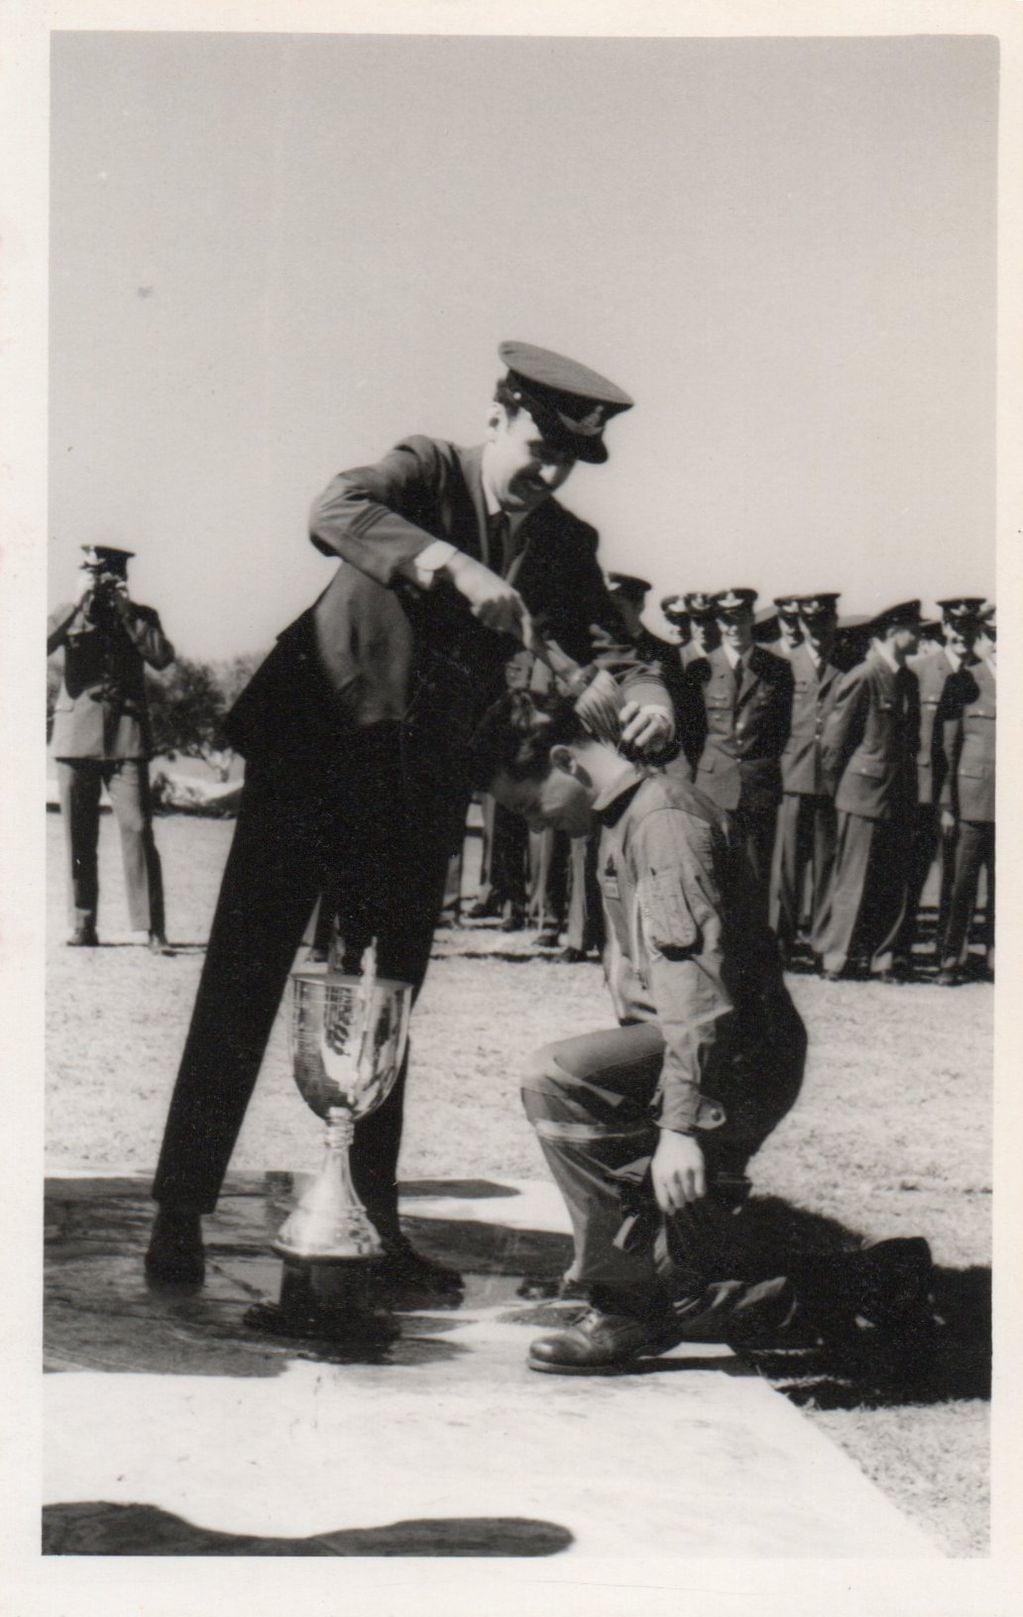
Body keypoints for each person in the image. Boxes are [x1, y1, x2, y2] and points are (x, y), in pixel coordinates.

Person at [146, 341, 676, 1289]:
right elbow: (334, 508)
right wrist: (449, 566)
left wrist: (651, 693)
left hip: (418, 776)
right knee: (245, 973)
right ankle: (179, 1210)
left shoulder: (565, 545)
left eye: (566, 462)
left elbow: (615, 645)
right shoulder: (425, 470)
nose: (546, 474)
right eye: (538, 448)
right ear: (497, 417)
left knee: (386, 996)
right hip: (314, 743)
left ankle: (368, 1221)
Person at [470, 692, 932, 1373]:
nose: (534, 827)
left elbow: (698, 995)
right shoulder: (626, 815)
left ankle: (627, 1310)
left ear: (566, 760)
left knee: (558, 1076)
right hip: (709, 1052)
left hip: (733, 1057)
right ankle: (879, 1280)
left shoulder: (661, 824)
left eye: (528, 807)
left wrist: (680, 1126)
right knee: (689, 1281)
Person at [48, 544, 174, 951]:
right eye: (92, 572)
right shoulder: (68, 612)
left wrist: (125, 609)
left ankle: (152, 928)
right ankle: (84, 924)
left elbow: (161, 657)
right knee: (78, 836)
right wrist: (75, 599)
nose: (101, 582)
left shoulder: (140, 616)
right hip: (76, 737)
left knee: (138, 828)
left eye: (107, 575)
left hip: (126, 735)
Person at [817, 601, 922, 982]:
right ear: (893, 633)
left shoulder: (907, 679)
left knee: (892, 880)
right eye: (914, 628)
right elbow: (834, 743)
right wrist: (839, 793)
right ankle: (838, 957)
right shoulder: (864, 675)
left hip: (898, 794)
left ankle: (884, 958)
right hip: (862, 795)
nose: (920, 635)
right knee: (853, 880)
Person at [684, 588, 793, 921]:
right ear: (718, 623)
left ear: (751, 618)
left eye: (741, 618)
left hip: (758, 784)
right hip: (714, 785)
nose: (734, 627)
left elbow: (781, 730)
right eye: (726, 620)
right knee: (714, 868)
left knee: (756, 873)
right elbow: (692, 735)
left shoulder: (776, 669)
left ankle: (754, 949)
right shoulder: (700, 669)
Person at [897, 598, 986, 969]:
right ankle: (899, 952)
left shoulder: (985, 675)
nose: (963, 636)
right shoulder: (918, 671)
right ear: (946, 628)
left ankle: (947, 951)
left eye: (970, 629)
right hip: (920, 789)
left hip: (964, 793)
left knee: (955, 874)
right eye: (956, 628)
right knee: (911, 873)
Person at [769, 593, 845, 964]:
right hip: (792, 774)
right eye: (810, 623)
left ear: (834, 621)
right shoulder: (784, 662)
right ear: (800, 624)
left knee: (827, 865)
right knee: (786, 865)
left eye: (824, 621)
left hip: (831, 778)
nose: (817, 629)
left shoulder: (848, 663)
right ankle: (781, 940)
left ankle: (821, 943)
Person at [936, 601, 995, 984]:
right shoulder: (965, 680)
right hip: (970, 800)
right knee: (961, 886)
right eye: (995, 636)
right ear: (985, 637)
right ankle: (950, 958)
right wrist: (947, 803)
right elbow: (947, 749)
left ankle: (996, 956)